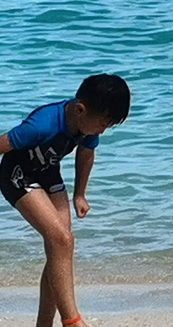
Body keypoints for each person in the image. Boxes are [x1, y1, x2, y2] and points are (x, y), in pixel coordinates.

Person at [0, 74, 131, 327]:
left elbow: (86, 153)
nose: (102, 130)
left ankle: (44, 324)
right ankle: (72, 321)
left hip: (48, 173)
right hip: (17, 175)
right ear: (80, 109)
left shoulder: (87, 123)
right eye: (103, 124)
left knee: (61, 247)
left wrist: (80, 194)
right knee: (62, 240)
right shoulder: (41, 125)